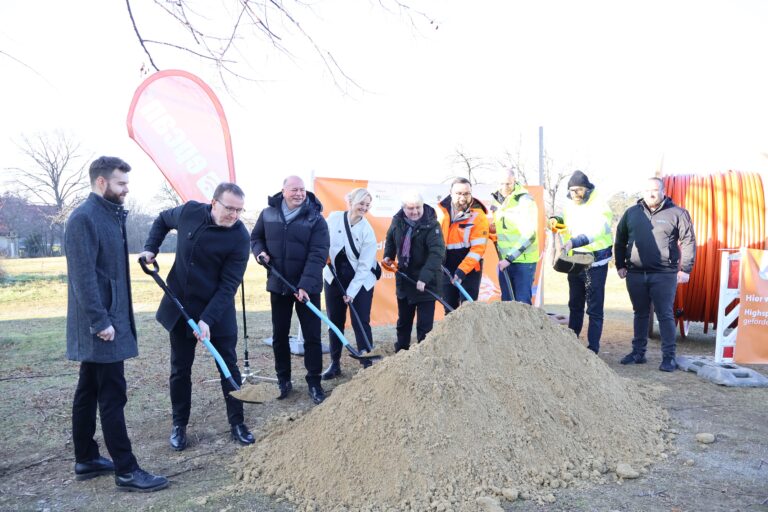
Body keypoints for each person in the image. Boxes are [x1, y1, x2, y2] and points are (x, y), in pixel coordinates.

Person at [65, 156, 167, 492]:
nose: (126, 190)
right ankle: (126, 469)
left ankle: (86, 458)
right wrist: (100, 321)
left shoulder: (109, 215)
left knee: (89, 389)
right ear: (101, 182)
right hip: (101, 326)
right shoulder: (84, 218)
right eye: (121, 184)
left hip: (108, 320)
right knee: (112, 394)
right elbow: (83, 278)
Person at [139, 182, 253, 450]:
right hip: (181, 306)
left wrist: (207, 320)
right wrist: (150, 248)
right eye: (229, 208)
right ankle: (179, 424)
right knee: (180, 369)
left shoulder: (240, 237)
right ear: (214, 203)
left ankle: (237, 422)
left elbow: (229, 285)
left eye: (239, 210)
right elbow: (162, 220)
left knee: (228, 367)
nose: (234, 215)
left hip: (217, 309)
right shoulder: (189, 211)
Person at [251, 176, 330, 404]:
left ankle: (314, 381)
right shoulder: (268, 213)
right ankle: (283, 380)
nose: (299, 193)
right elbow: (256, 237)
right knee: (280, 335)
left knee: (312, 337)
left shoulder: (315, 218)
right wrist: (260, 253)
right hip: (279, 284)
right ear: (283, 191)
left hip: (308, 286)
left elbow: (318, 254)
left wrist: (305, 284)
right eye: (294, 189)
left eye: (302, 190)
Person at [615, 177, 696, 372]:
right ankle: (638, 353)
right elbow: (620, 240)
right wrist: (620, 264)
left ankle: (669, 358)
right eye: (647, 190)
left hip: (664, 274)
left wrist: (685, 269)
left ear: (663, 191)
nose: (651, 194)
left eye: (655, 190)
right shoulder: (631, 213)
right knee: (640, 313)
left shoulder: (677, 213)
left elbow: (688, 241)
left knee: (665, 314)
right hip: (635, 273)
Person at [321, 188, 378, 379]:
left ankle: (367, 362)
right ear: (351, 202)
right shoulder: (334, 218)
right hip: (334, 277)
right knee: (334, 321)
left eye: (367, 205)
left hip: (360, 282)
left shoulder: (367, 231)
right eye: (361, 203)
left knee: (360, 320)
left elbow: (364, 266)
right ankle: (334, 364)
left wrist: (352, 291)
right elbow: (323, 242)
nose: (364, 208)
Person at [383, 191, 446, 351]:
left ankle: (423, 356)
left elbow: (437, 253)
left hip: (426, 283)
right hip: (405, 280)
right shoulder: (397, 221)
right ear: (403, 208)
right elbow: (390, 238)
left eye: (418, 207)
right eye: (410, 208)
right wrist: (388, 256)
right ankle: (401, 353)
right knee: (403, 322)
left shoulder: (432, 225)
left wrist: (424, 278)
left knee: (425, 327)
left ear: (422, 205)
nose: (415, 212)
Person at [560, 170, 614, 354]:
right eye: (572, 190)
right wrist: (555, 221)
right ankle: (571, 346)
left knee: (594, 308)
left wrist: (576, 241)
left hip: (596, 262)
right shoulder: (569, 204)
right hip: (575, 261)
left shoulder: (600, 204)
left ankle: (593, 350)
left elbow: (599, 229)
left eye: (579, 190)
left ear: (588, 189)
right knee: (575, 304)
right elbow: (567, 225)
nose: (575, 194)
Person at [436, 177, 489, 312]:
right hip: (446, 269)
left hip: (470, 270)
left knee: (468, 311)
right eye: (459, 193)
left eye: (466, 194)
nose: (463, 198)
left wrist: (461, 271)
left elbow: (478, 249)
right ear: (451, 193)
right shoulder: (440, 212)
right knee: (450, 312)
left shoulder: (479, 215)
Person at [489, 168, 539, 304]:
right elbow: (502, 224)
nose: (504, 187)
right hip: (505, 261)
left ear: (514, 182)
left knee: (522, 305)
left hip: (523, 261)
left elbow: (530, 235)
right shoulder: (496, 200)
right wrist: (493, 227)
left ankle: (526, 327)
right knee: (507, 305)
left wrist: (509, 259)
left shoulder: (525, 201)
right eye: (501, 183)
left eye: (508, 184)